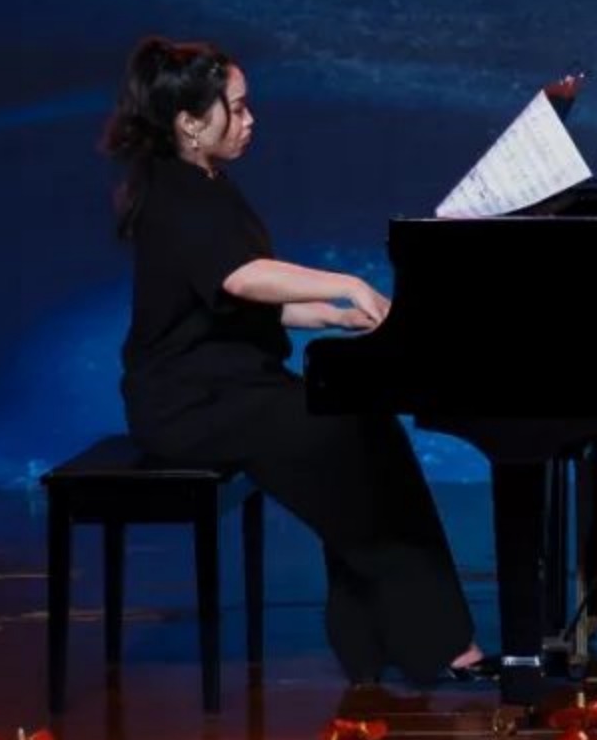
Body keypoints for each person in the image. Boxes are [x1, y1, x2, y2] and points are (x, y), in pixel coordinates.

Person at [103, 36, 487, 686]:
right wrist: (346, 285)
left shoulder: (207, 184)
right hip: (188, 402)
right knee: (346, 449)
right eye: (236, 108)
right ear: (189, 123)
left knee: (366, 429)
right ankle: (431, 640)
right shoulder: (176, 194)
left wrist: (331, 316)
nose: (250, 120)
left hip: (230, 386)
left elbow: (239, 303)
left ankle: (377, 639)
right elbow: (241, 278)